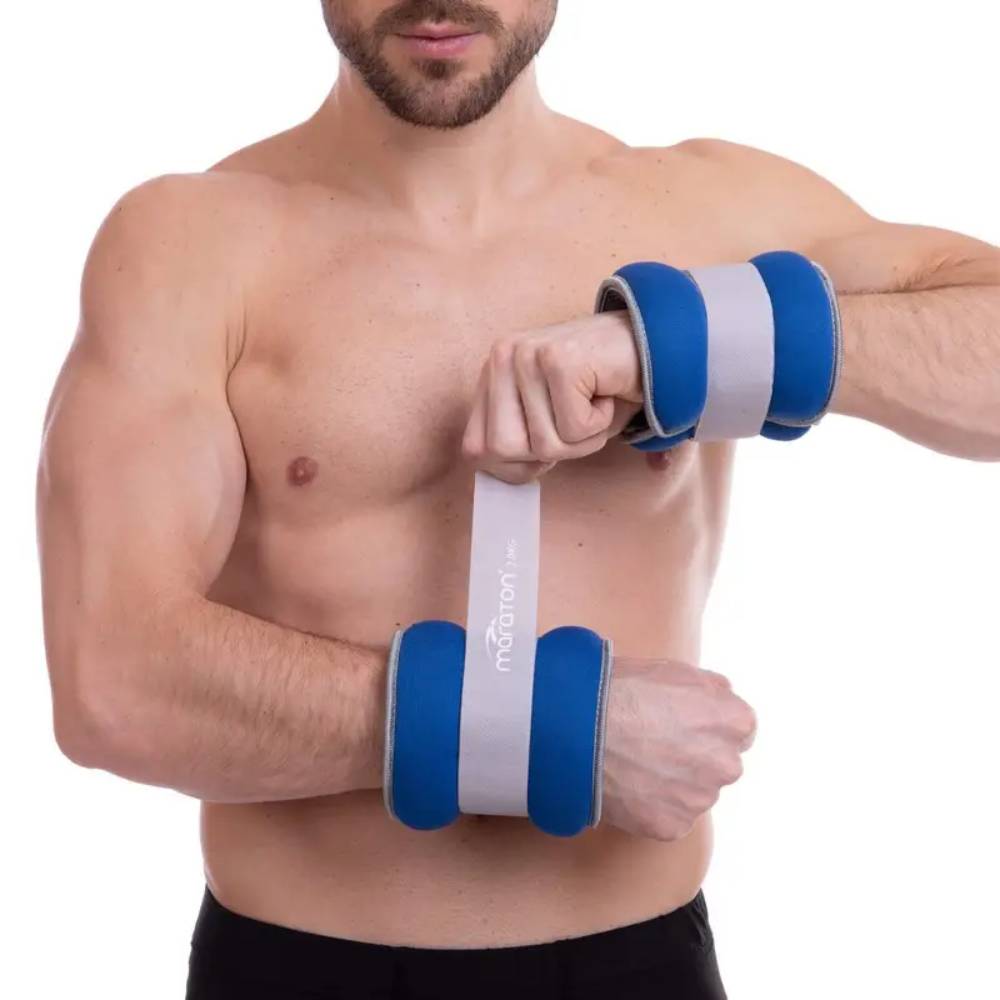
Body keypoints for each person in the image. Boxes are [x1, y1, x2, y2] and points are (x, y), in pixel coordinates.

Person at [36, 1, 1000, 997]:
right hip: (294, 965)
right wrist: (557, 729)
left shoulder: (704, 216)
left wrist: (675, 344)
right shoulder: (191, 246)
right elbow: (112, 683)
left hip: (641, 964)